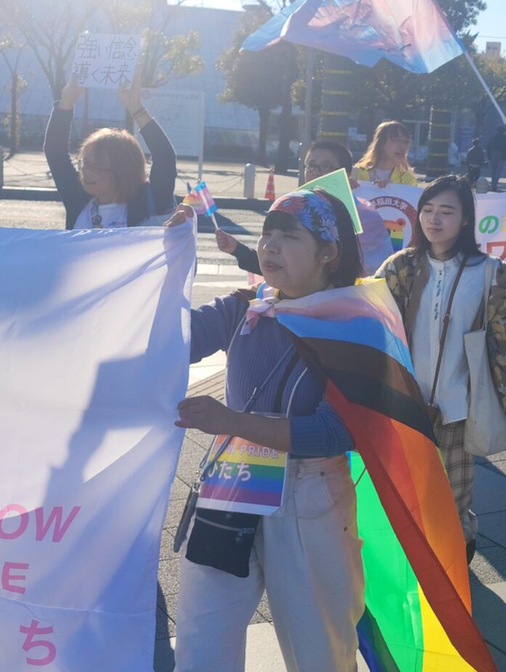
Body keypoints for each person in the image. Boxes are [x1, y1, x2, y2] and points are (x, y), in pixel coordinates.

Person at [169, 190, 366, 671]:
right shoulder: (244, 306)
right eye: (266, 233)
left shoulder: (355, 323)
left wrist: (231, 422)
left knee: (318, 649)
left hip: (309, 491)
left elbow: (336, 432)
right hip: (234, 477)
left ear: (329, 252)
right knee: (200, 642)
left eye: (289, 236)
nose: (269, 246)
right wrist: (167, 257)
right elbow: (172, 340)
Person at [376, 175, 506, 562]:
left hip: (458, 407)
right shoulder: (400, 266)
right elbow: (370, 324)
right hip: (404, 405)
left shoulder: (492, 271)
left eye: (446, 211)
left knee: (451, 497)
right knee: (403, 493)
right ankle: (414, 565)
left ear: (465, 219)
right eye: (428, 210)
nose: (434, 219)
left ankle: (456, 559)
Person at [216, 140, 393, 276]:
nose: (316, 171)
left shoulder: (365, 216)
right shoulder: (293, 209)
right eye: (311, 165)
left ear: (345, 174)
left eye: (325, 166)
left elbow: (375, 273)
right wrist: (237, 249)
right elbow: (279, 265)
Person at [43, 66, 177, 229]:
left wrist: (135, 107)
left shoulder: (150, 200)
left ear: (123, 171)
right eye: (85, 164)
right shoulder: (78, 198)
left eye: (97, 167)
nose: (87, 172)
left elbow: (165, 156)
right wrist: (66, 103)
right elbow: (55, 152)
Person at [353, 120, 418, 186]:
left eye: (406, 142)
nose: (402, 146)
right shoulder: (356, 173)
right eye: (396, 140)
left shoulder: (408, 180)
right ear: (381, 143)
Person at [487, 125, 506, 191]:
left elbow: (489, 146)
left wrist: (489, 155)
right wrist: (504, 157)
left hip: (493, 154)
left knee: (493, 170)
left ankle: (492, 184)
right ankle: (495, 185)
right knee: (498, 171)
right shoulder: (505, 138)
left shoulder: (493, 137)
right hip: (501, 154)